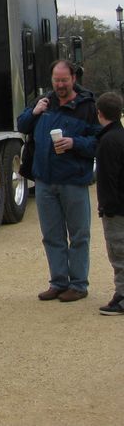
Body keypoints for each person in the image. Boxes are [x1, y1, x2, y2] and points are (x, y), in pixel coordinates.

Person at [16, 60, 98, 302]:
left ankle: (79, 285)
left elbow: (97, 141)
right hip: (44, 180)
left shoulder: (87, 106)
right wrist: (35, 111)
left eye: (64, 80)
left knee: (79, 234)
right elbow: (21, 125)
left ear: (74, 78)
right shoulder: (45, 102)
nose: (60, 85)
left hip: (73, 180)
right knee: (52, 235)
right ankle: (58, 282)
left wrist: (75, 143)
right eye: (56, 80)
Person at [94, 91, 124, 316]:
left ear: (99, 113)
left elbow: (107, 178)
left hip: (116, 208)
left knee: (118, 251)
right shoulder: (120, 136)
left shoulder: (107, 141)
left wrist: (107, 206)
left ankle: (122, 297)